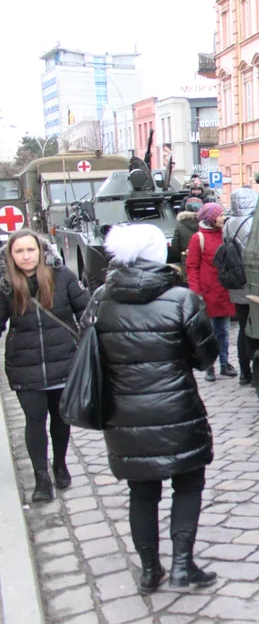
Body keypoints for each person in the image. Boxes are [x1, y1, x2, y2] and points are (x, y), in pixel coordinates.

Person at [95, 224, 220, 594]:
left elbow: (93, 355)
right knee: (188, 483)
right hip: (176, 408)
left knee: (142, 491)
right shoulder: (182, 299)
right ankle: (183, 566)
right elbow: (205, 357)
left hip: (125, 413)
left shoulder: (102, 297)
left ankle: (150, 571)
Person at [0, 231, 88, 502]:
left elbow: (84, 311)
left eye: (30, 250)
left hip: (62, 361)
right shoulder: (5, 284)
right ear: (11, 256)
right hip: (25, 364)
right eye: (19, 251)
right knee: (34, 420)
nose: (26, 256)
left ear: (41, 251)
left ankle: (59, 464)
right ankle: (41, 479)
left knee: (61, 419)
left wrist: (85, 345)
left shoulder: (62, 276)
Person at [186, 202, 237, 381]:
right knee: (209, 334)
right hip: (207, 293)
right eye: (220, 215)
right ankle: (210, 366)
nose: (223, 217)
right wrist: (195, 292)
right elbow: (192, 266)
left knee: (224, 331)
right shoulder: (198, 238)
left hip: (223, 291)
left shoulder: (224, 235)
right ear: (211, 218)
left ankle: (224, 364)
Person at [223, 186, 257, 385]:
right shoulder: (251, 222)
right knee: (258, 327)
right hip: (252, 281)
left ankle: (244, 372)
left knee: (243, 327)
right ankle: (257, 369)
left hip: (236, 281)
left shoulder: (228, 223)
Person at [170, 198, 203, 264]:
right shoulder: (208, 223)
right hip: (205, 259)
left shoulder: (180, 225)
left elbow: (175, 246)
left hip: (187, 259)